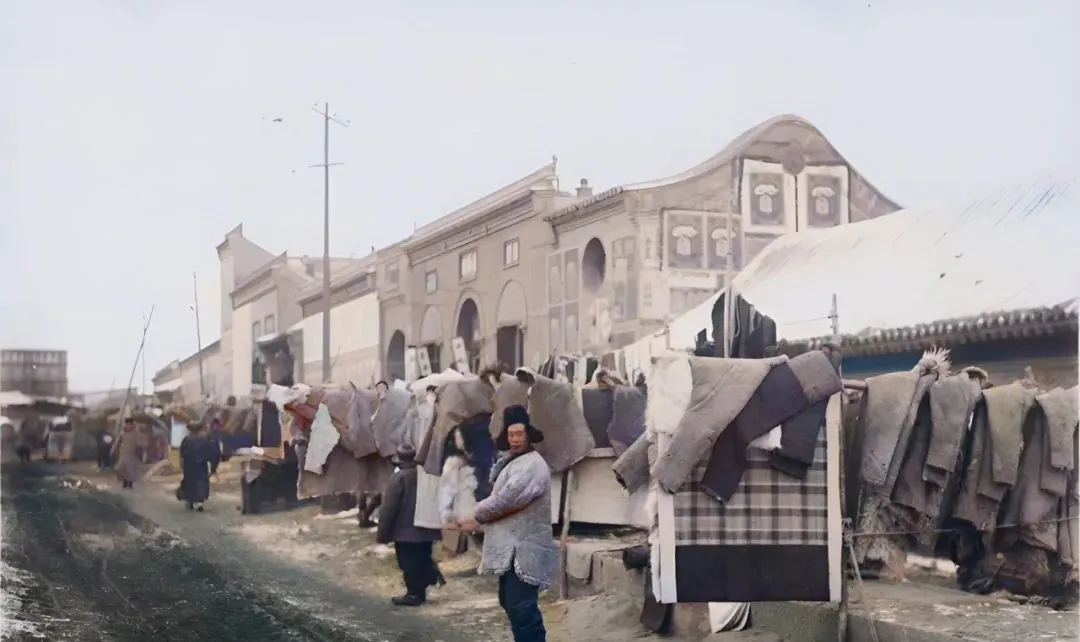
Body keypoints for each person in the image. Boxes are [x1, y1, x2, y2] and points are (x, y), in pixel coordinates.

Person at [457, 405, 555, 642]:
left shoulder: (532, 465)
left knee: (522, 607)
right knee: (511, 602)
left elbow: (508, 499)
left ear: (528, 434)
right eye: (511, 434)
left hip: (525, 547)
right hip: (514, 546)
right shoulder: (514, 461)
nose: (515, 439)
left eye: (519, 434)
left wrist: (476, 514)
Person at [377, 443, 444, 607]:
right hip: (426, 526)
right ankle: (428, 581)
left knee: (408, 563)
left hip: (405, 531)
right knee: (423, 556)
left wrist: (383, 533)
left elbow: (388, 508)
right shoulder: (426, 475)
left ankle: (414, 594)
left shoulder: (398, 478)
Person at [439, 426, 478, 554]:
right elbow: (447, 488)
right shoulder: (453, 462)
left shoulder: (477, 458)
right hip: (463, 506)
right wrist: (446, 513)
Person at [177, 422, 221, 511]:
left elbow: (182, 455)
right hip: (201, 465)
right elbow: (213, 453)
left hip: (189, 465)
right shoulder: (206, 440)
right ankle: (199, 501)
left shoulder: (186, 440)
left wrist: (182, 465)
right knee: (201, 481)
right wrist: (213, 467)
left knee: (189, 482)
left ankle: (190, 500)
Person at [113, 418, 144, 489]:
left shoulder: (136, 432)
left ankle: (129, 485)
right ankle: (125, 482)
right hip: (124, 452)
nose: (128, 425)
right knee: (119, 468)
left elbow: (140, 444)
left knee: (130, 470)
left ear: (132, 424)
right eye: (127, 423)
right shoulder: (123, 432)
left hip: (132, 453)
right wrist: (114, 450)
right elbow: (118, 441)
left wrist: (140, 453)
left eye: (129, 424)